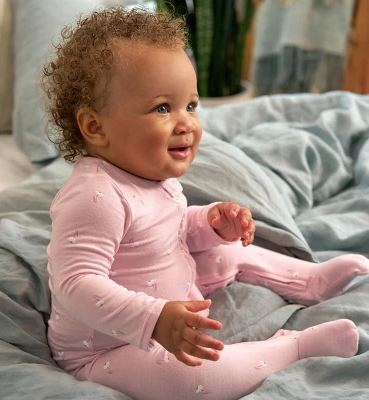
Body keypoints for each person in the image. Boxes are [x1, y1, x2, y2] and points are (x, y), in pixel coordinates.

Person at [42, 6, 369, 400]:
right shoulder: (94, 196)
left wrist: (209, 225)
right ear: (96, 127)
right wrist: (154, 319)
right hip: (109, 348)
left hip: (174, 302)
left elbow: (168, 231)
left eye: (191, 106)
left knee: (226, 249)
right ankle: (291, 348)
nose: (186, 123)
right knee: (191, 378)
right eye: (163, 108)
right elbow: (76, 285)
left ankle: (307, 280)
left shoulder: (152, 174)